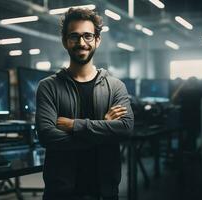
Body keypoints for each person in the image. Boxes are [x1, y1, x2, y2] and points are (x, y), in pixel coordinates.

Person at [35, 8, 134, 200]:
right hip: (61, 194)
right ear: (65, 41)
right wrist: (104, 130)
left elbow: (125, 128)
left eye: (88, 36)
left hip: (105, 192)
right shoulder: (48, 87)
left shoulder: (115, 86)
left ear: (97, 40)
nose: (81, 43)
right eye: (74, 36)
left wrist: (75, 125)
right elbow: (47, 136)